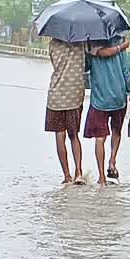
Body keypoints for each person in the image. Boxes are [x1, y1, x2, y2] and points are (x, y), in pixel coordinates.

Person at [84, 35, 130, 187]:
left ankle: (102, 178)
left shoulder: (91, 46)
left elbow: (85, 68)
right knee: (116, 131)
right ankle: (112, 161)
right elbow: (126, 71)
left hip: (100, 99)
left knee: (99, 138)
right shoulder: (120, 45)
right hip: (118, 96)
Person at [44, 38, 87, 185]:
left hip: (56, 95)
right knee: (74, 135)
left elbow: (55, 63)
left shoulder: (53, 44)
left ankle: (67, 175)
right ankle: (79, 173)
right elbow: (86, 65)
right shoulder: (80, 43)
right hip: (74, 94)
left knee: (59, 135)